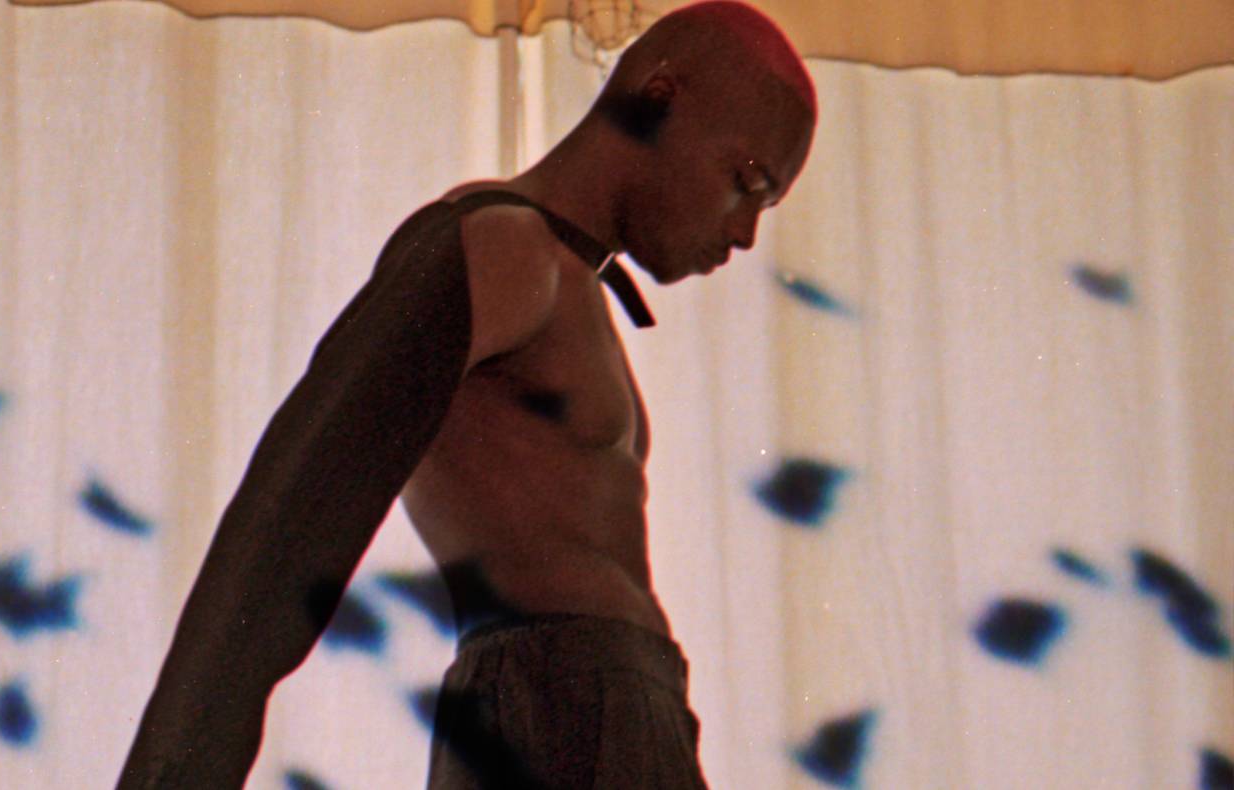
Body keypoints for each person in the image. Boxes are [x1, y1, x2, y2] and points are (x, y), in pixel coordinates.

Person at [117, 2, 816, 787]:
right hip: (555, 715)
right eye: (746, 181)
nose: (747, 233)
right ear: (660, 95)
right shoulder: (502, 246)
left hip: (610, 718)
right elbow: (295, 514)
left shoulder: (564, 281)